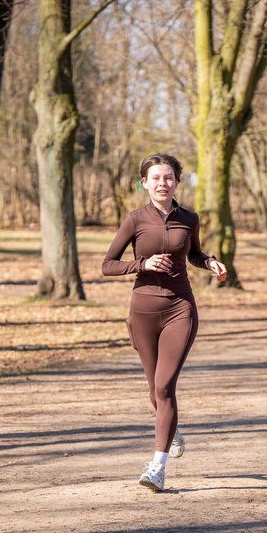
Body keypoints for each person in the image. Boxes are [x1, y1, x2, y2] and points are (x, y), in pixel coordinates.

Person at [101, 153, 227, 492]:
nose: (162, 183)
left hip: (179, 309)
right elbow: (107, 265)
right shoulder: (134, 220)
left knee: (164, 386)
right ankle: (170, 429)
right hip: (142, 312)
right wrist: (141, 263)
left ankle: (157, 467)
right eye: (155, 178)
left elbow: (194, 254)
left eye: (168, 177)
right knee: (154, 389)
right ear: (145, 182)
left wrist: (210, 262)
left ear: (176, 181)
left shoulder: (189, 218)